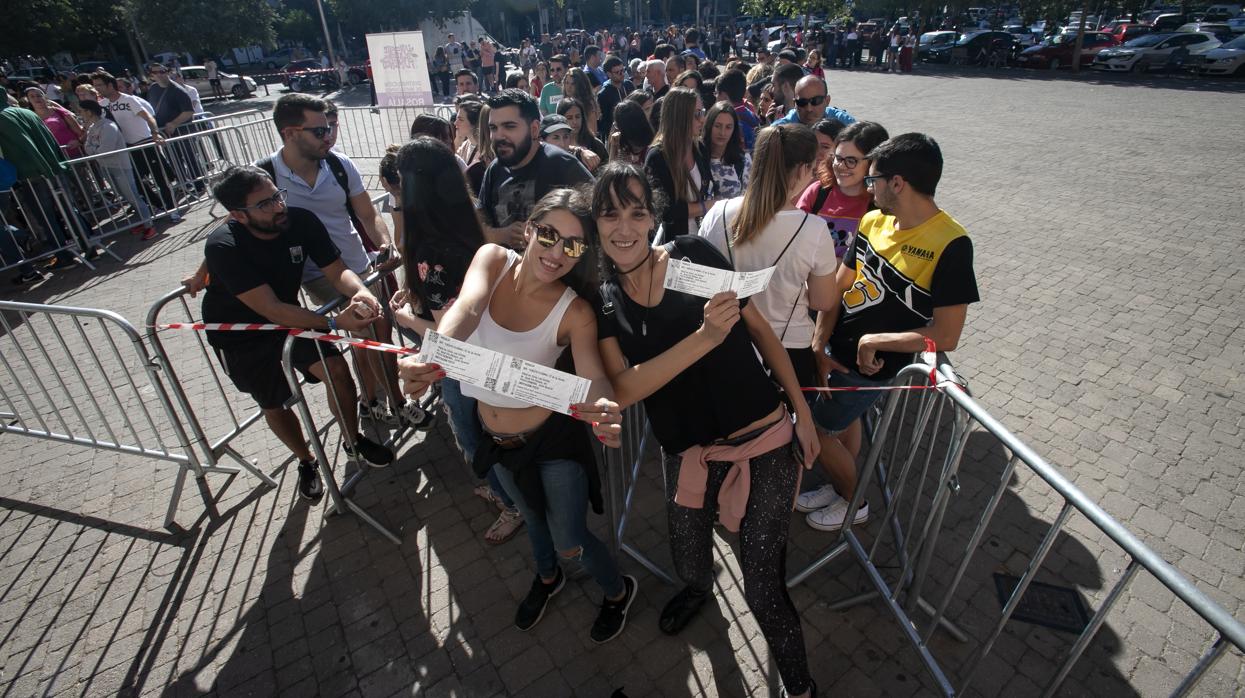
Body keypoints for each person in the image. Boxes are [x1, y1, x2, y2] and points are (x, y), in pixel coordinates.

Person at [589, 163, 817, 698]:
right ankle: (697, 592)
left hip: (763, 438)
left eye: (636, 212)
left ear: (654, 218)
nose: (624, 228)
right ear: (595, 224)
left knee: (762, 587)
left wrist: (801, 412)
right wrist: (704, 338)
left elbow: (758, 326)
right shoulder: (603, 298)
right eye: (609, 214)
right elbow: (623, 389)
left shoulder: (690, 257)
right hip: (687, 449)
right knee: (688, 552)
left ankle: (802, 687)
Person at [398, 188, 638, 642]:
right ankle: (548, 580)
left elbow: (593, 380)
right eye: (548, 234)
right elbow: (466, 308)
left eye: (572, 244)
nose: (556, 252)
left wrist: (605, 408)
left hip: (551, 444)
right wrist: (436, 355)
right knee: (530, 518)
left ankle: (617, 590)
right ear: (529, 228)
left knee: (570, 539)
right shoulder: (491, 258)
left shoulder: (577, 312)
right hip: (497, 440)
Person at [805, 133, 980, 531]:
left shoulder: (952, 243)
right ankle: (839, 486)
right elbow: (839, 285)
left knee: (813, 428)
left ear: (897, 183)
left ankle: (854, 501)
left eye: (874, 179)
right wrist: (818, 343)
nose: (869, 187)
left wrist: (876, 341)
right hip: (834, 351)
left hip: (873, 369)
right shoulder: (872, 220)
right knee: (840, 427)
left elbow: (946, 335)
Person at [192, 166, 394, 502]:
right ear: (238, 216)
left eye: (276, 196)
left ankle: (352, 439)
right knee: (275, 402)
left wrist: (360, 292)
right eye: (265, 204)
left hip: (289, 318)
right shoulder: (223, 247)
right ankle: (306, 460)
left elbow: (336, 270)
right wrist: (332, 324)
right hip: (242, 334)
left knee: (338, 372)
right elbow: (269, 308)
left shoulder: (300, 220)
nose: (278, 207)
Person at [251, 93, 422, 430]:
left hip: (360, 263)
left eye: (329, 127)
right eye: (318, 131)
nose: (328, 135)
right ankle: (394, 404)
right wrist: (204, 273)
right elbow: (234, 226)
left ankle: (371, 401)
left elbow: (366, 212)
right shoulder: (263, 177)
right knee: (373, 331)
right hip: (318, 274)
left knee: (369, 339)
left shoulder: (339, 164)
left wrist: (385, 244)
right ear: (290, 133)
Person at [385, 137, 525, 544]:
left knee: (474, 440)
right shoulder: (466, 223)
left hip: (465, 371)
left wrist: (406, 317)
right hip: (494, 354)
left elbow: (449, 340)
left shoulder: (433, 249)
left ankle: (512, 504)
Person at [699, 122, 838, 399]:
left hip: (722, 343)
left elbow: (702, 279)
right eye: (812, 169)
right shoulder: (814, 229)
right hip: (786, 352)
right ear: (801, 170)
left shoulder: (718, 213)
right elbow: (823, 301)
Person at [476, 89, 592, 248]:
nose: (498, 136)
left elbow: (598, 219)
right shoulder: (494, 170)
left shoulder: (561, 164)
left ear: (534, 129)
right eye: (493, 128)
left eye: (509, 126)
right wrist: (501, 235)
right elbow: (478, 222)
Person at [91, 70, 181, 219]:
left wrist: (155, 133)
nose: (97, 88)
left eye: (99, 85)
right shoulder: (101, 105)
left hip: (144, 144)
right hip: (126, 149)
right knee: (137, 182)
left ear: (110, 85)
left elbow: (149, 118)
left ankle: (172, 210)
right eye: (95, 85)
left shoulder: (129, 100)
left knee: (160, 179)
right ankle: (159, 206)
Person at [797, 121, 888, 259]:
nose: (840, 166)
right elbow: (795, 242)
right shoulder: (818, 192)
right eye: (838, 158)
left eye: (851, 161)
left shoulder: (880, 206)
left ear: (873, 163)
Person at [78, 99, 156, 239]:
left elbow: (105, 149)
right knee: (125, 196)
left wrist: (94, 150)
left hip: (121, 166)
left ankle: (149, 225)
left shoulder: (108, 126)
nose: (80, 114)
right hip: (106, 166)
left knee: (132, 195)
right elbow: (87, 147)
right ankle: (143, 221)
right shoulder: (93, 128)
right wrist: (95, 149)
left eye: (81, 111)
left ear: (89, 112)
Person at [644, 87, 711, 241]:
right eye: (697, 114)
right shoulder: (657, 156)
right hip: (671, 245)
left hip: (699, 240)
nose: (702, 119)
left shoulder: (699, 148)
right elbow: (665, 211)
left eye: (703, 112)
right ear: (680, 117)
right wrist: (706, 206)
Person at [702, 101, 750, 199]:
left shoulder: (743, 160)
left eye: (728, 127)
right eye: (717, 126)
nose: (722, 133)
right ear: (709, 125)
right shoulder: (696, 156)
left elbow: (748, 200)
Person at [773, 75, 856, 128]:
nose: (809, 109)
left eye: (816, 101)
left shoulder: (845, 124)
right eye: (802, 102)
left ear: (827, 101)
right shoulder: (781, 129)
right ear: (795, 104)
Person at [22, 87, 84, 158]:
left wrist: (79, 141)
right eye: (32, 96)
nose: (36, 98)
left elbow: (80, 132)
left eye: (39, 95)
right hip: (55, 157)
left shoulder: (59, 112)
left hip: (75, 152)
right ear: (28, 100)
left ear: (45, 97)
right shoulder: (29, 118)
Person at [714, 69, 760, 150]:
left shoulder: (725, 119)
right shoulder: (752, 114)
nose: (716, 97)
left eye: (716, 93)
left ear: (724, 96)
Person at [556, 97, 608, 166]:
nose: (575, 122)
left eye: (577, 117)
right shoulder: (557, 145)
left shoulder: (595, 144)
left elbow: (607, 170)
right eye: (569, 118)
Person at [595, 56, 633, 139]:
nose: (622, 74)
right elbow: (603, 122)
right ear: (609, 74)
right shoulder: (603, 94)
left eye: (623, 70)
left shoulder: (629, 85)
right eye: (618, 72)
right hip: (616, 136)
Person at [606, 99, 653, 165]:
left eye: (617, 124)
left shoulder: (651, 147)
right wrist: (614, 146)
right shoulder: (621, 143)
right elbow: (612, 171)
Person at [561, 67, 601, 136]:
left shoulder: (588, 103)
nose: (569, 87)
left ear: (580, 85)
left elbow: (593, 131)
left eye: (573, 84)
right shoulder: (562, 103)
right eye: (567, 83)